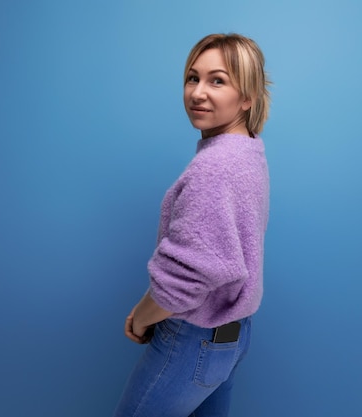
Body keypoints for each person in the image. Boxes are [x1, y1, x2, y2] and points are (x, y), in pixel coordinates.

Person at [113, 33, 271, 417]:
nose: (198, 92)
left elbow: (188, 277)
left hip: (192, 341)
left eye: (218, 80)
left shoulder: (214, 168)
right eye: (192, 78)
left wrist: (141, 317)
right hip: (231, 337)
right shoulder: (248, 152)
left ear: (247, 97)